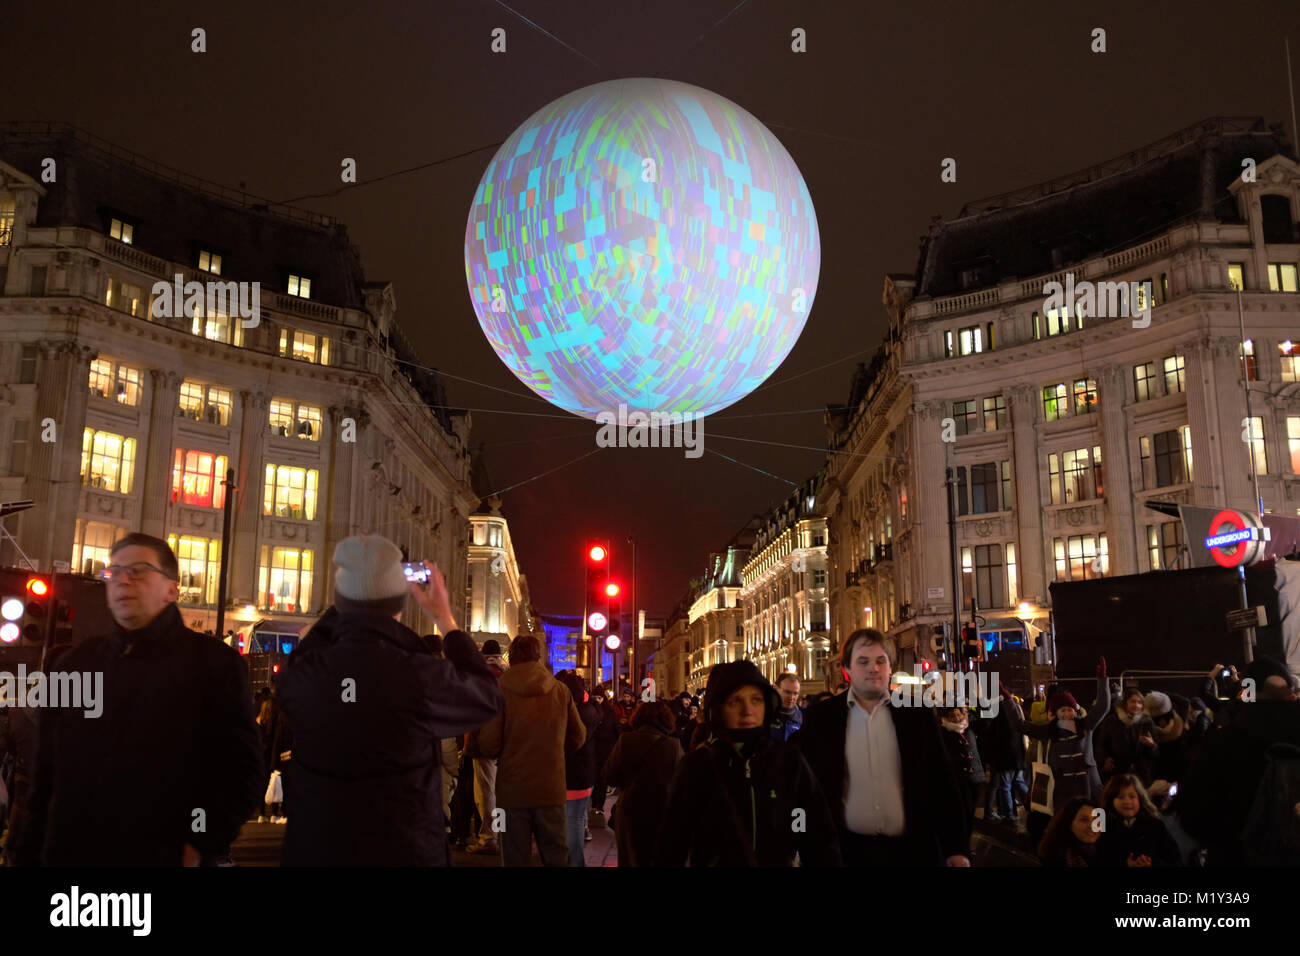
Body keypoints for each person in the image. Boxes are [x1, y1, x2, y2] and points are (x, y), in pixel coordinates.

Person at [9, 533, 264, 866]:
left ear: (172, 589)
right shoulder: (75, 664)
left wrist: (198, 840)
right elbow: (45, 780)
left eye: (139, 571)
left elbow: (240, 770)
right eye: (114, 572)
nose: (123, 580)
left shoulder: (212, 664)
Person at [276, 539, 503, 866]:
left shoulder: (305, 675)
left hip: (318, 850)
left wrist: (354, 593)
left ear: (342, 600)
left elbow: (308, 650)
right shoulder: (418, 675)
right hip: (403, 850)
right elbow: (487, 696)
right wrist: (445, 620)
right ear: (400, 600)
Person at [796, 628, 971, 867]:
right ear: (846, 668)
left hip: (911, 852)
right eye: (863, 661)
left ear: (890, 667)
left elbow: (942, 783)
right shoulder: (821, 719)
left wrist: (956, 848)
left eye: (881, 660)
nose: (873, 668)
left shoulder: (916, 715)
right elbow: (804, 792)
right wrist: (803, 844)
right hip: (846, 853)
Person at [655, 661, 840, 866]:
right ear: (718, 708)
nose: (747, 710)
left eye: (756, 700)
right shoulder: (697, 766)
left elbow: (816, 833)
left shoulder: (788, 761)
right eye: (735, 701)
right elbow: (672, 844)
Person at [1178, 656, 1300, 865]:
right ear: (1291, 692)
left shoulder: (1220, 742)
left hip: (1235, 857)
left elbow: (1192, 817)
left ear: (1246, 692)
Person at [477, 635, 586, 866]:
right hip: (551, 788)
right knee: (557, 856)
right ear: (538, 656)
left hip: (512, 791)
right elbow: (578, 737)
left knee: (514, 856)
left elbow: (488, 743)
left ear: (512, 657)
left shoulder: (500, 689)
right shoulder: (560, 690)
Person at [1003, 658, 1110, 827]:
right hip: (1062, 790)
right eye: (1063, 710)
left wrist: (1102, 680)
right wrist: (1009, 701)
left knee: (1097, 828)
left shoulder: (1086, 726)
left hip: (1090, 786)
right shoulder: (1048, 730)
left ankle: (1098, 850)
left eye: (1070, 710)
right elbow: (1019, 725)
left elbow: (1103, 706)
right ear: (1055, 713)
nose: (1067, 714)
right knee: (1065, 827)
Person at [602, 700, 683, 866]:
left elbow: (610, 776)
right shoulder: (673, 746)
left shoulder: (626, 741)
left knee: (630, 859)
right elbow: (682, 784)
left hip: (630, 810)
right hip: (661, 811)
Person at [463, 639, 507, 854]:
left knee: (485, 794)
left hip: (482, 743)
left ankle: (489, 837)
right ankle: (500, 834)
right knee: (499, 793)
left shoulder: (478, 678)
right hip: (504, 745)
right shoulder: (507, 678)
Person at [556, 670, 601, 865]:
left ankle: (575, 861)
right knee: (576, 818)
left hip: (573, 772)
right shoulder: (590, 707)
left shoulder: (575, 712)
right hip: (584, 772)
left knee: (572, 820)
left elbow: (570, 743)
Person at [1096, 773, 1181, 867]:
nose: (1127, 802)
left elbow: (1174, 859)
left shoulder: (1154, 825)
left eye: (1132, 796)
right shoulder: (1104, 827)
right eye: (1121, 797)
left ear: (1140, 799)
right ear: (1111, 801)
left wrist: (1151, 863)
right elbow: (1098, 859)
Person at [1094, 687, 1156, 785]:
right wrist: (1104, 759)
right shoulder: (1112, 721)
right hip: (1117, 771)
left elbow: (1156, 750)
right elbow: (1101, 743)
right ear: (1125, 703)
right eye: (1133, 701)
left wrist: (1152, 744)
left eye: (1139, 702)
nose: (1136, 705)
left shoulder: (1146, 722)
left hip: (1140, 773)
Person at [939, 706, 985, 826]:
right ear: (946, 718)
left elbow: (986, 721)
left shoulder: (969, 728)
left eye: (958, 715)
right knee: (964, 811)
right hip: (960, 779)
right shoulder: (944, 732)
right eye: (952, 716)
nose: (956, 718)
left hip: (976, 777)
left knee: (972, 808)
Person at [1037, 797, 1101, 867]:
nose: (1092, 826)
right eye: (1084, 820)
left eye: (1095, 820)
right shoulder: (1063, 856)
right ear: (1068, 823)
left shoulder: (1096, 849)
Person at [772, 673, 803, 742]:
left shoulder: (802, 718)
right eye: (787, 692)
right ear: (776, 689)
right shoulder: (763, 714)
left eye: (795, 693)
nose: (792, 697)